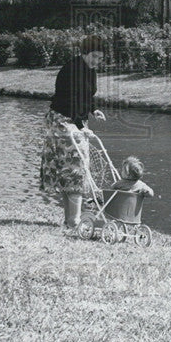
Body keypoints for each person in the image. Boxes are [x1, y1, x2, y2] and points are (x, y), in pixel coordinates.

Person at [40, 35, 107, 234]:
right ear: (84, 52)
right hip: (62, 121)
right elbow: (72, 100)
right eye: (94, 56)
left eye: (100, 58)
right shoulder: (73, 69)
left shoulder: (89, 70)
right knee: (75, 170)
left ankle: (70, 219)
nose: (97, 61)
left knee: (75, 169)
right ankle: (74, 221)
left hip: (75, 120)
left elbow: (86, 96)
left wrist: (93, 110)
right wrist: (80, 125)